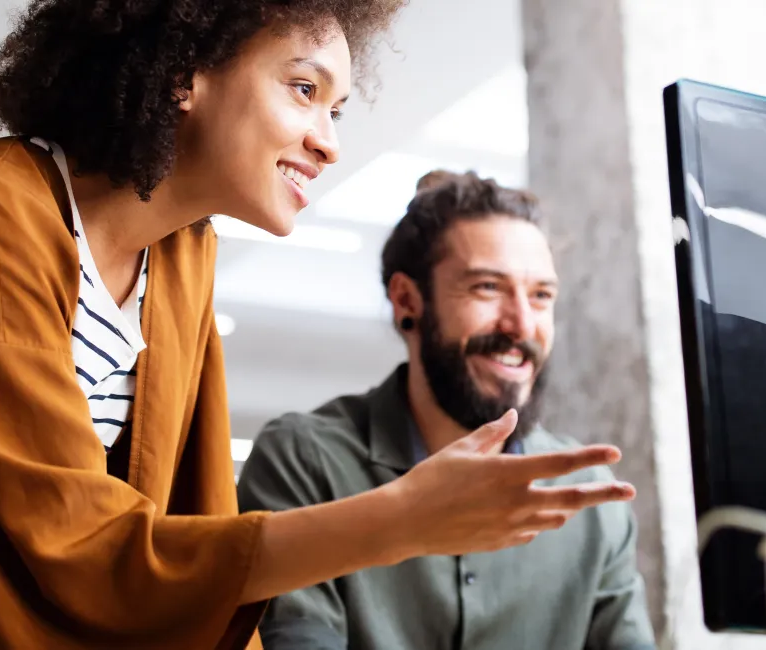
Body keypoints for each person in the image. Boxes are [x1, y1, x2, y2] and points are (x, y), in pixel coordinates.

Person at [0, 3, 638, 649]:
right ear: (187, 65)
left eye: (339, 108)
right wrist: (399, 517)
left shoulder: (181, 260)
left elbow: (172, 525)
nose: (326, 140)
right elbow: (75, 555)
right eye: (305, 88)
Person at [238, 171, 658, 650]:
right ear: (406, 300)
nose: (522, 324)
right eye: (487, 288)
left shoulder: (590, 501)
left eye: (541, 295)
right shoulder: (304, 461)